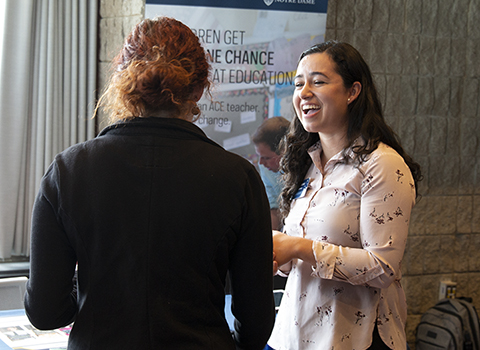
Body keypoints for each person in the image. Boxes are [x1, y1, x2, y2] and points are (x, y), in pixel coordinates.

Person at [24, 17, 275, 350]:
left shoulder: (67, 171)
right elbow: (255, 323)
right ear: (200, 89)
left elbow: (45, 313)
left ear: (122, 83)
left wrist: (93, 296)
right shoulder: (240, 178)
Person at [267, 41, 422, 350]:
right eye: (299, 84)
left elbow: (383, 267)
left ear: (353, 91)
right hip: (289, 336)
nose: (304, 92)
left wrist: (298, 246)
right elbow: (299, 256)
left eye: (318, 81)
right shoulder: (306, 164)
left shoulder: (382, 164)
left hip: (348, 340)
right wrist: (278, 253)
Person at [252, 117, 290, 231]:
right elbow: (274, 207)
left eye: (266, 157)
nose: (261, 163)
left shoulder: (308, 168)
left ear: (285, 151)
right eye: (259, 156)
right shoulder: (266, 168)